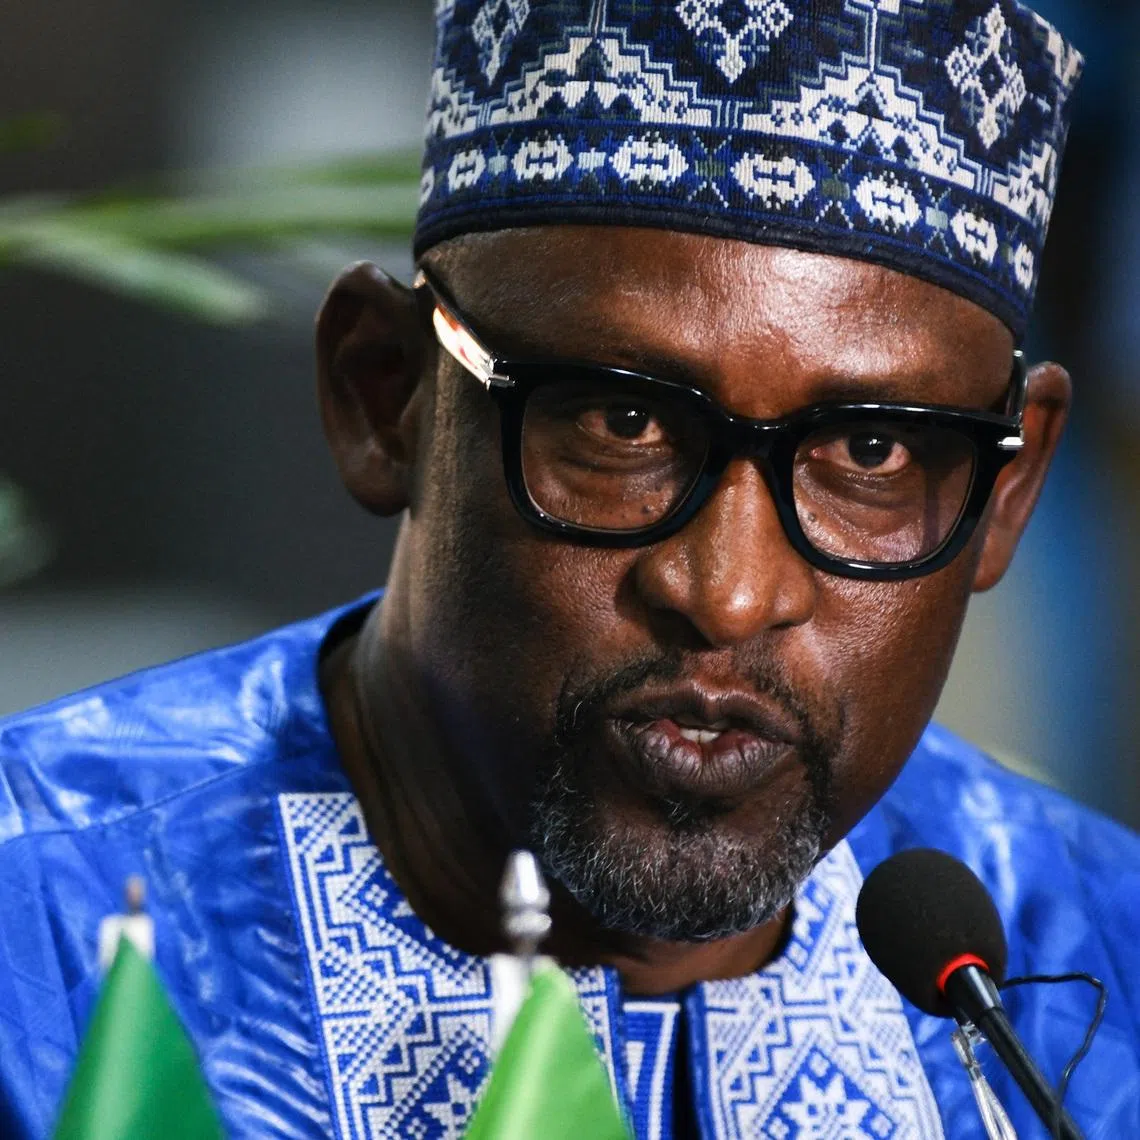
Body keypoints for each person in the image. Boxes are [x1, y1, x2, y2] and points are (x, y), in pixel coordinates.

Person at [1, 0, 1137, 1137]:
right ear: (384, 395)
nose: (730, 591)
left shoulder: (1099, 968)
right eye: (624, 425)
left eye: (871, 451)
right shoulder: (38, 941)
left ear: (1009, 492)